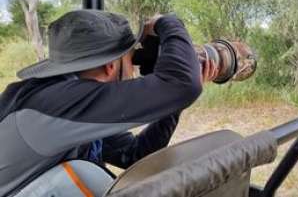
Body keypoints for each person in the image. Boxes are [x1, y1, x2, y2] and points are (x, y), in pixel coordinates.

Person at [0, 10, 218, 196]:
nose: (134, 68)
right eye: (131, 59)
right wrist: (168, 21)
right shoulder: (53, 104)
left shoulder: (68, 102)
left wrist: (172, 104)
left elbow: (134, 154)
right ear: (110, 66)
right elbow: (183, 85)